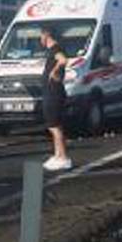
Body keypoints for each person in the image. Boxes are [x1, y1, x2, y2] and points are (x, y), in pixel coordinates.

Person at [40, 26, 72, 172]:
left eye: (41, 36)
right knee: (53, 126)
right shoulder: (52, 50)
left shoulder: (55, 49)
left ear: (46, 35)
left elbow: (63, 60)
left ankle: (63, 158)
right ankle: (58, 155)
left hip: (54, 93)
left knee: (55, 126)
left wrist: (54, 71)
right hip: (51, 92)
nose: (40, 39)